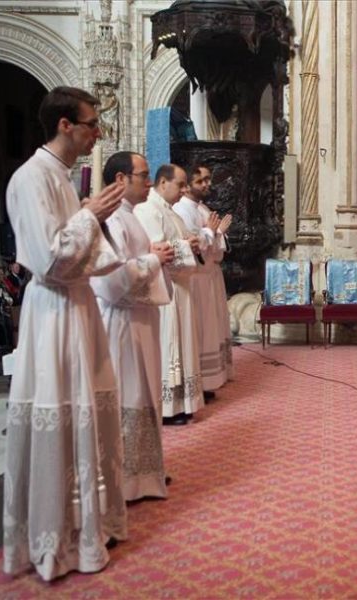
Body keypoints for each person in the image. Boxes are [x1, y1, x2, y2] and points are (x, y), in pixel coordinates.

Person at [3, 86, 127, 581]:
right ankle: (56, 536)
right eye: (92, 123)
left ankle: (85, 525)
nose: (98, 132)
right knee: (60, 409)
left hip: (77, 309)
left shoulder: (61, 176)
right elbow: (49, 258)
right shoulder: (30, 178)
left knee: (88, 411)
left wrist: (92, 217)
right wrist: (89, 215)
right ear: (64, 125)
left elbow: (80, 250)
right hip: (52, 313)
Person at [90, 151, 175, 501]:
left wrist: (151, 252)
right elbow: (111, 281)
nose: (149, 182)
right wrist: (155, 258)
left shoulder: (130, 216)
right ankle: (124, 481)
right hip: (122, 323)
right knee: (129, 395)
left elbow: (131, 257)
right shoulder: (112, 220)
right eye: (143, 176)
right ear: (121, 180)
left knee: (145, 392)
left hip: (140, 319)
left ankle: (144, 473)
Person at [134, 164, 204, 426]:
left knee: (184, 343)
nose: (184, 190)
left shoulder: (171, 212)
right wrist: (187, 245)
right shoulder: (148, 210)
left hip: (181, 288)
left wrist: (192, 243)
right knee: (170, 345)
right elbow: (158, 249)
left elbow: (181, 241)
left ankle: (182, 403)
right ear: (163, 183)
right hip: (166, 289)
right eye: (181, 184)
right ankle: (168, 407)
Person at [174, 163, 231, 395]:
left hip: (210, 276)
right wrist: (214, 233)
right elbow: (194, 246)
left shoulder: (203, 208)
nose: (207, 184)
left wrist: (218, 233)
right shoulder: (181, 210)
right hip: (197, 279)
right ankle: (201, 382)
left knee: (212, 329)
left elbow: (215, 246)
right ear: (187, 186)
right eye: (201, 181)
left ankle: (212, 378)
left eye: (208, 179)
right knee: (200, 331)